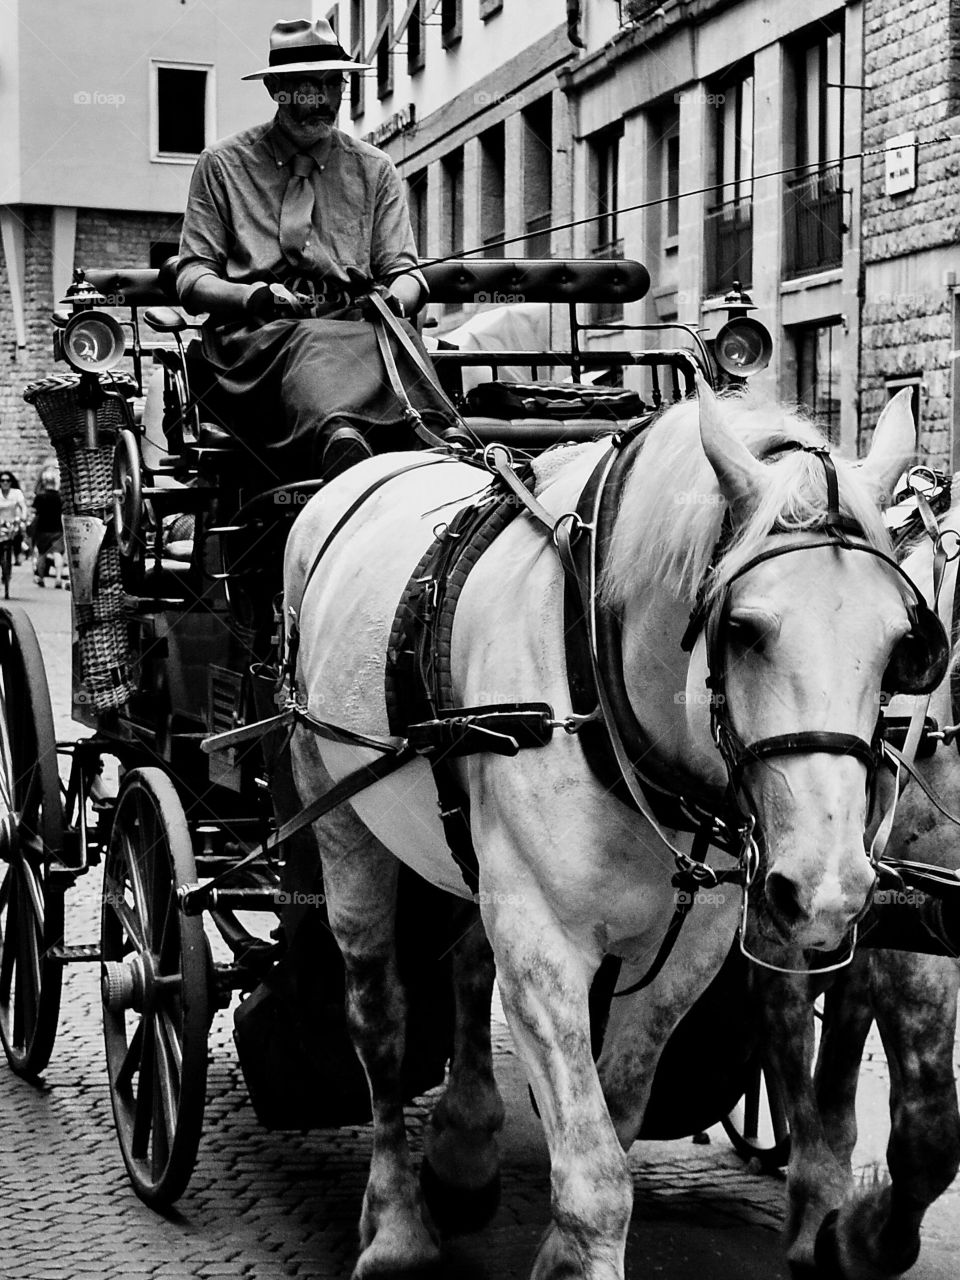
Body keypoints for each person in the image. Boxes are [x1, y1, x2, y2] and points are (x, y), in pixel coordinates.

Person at [176, 17, 455, 484]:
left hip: (356, 332)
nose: (323, 100)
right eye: (308, 87)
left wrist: (394, 299)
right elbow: (192, 277)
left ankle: (439, 435)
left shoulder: (375, 169)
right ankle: (339, 439)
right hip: (257, 345)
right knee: (310, 337)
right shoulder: (221, 165)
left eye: (333, 83)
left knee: (396, 332)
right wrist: (253, 297)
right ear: (276, 90)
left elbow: (404, 271)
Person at [32, 465, 67, 588]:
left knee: (42, 554)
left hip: (42, 530)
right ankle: (58, 578)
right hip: (57, 529)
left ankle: (41, 578)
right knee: (57, 553)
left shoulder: (40, 497)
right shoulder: (60, 497)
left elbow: (35, 512)